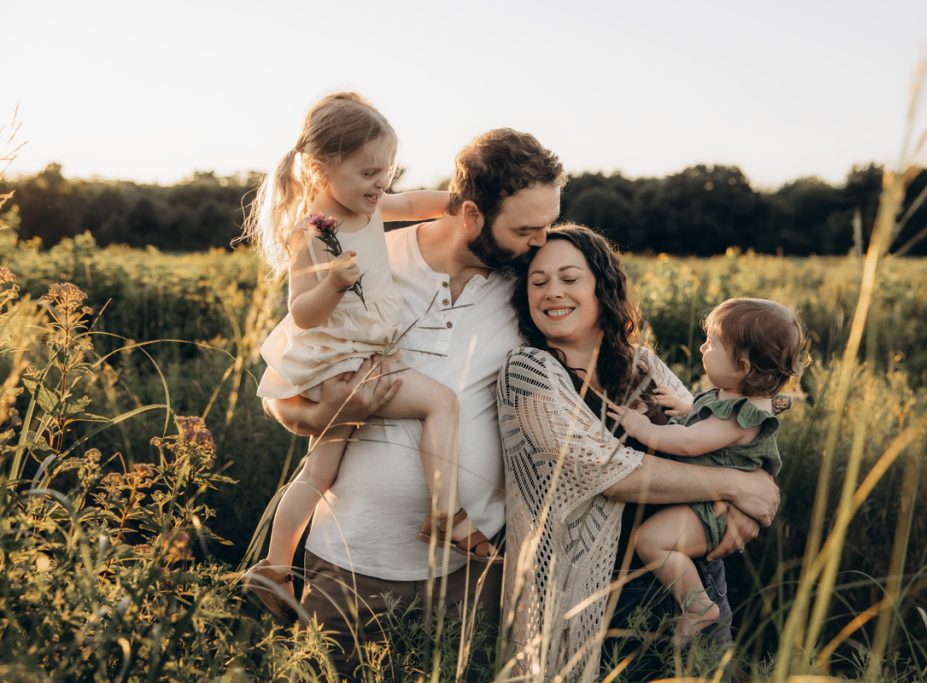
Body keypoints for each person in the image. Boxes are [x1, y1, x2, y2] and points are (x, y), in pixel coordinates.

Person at [260, 127, 565, 678]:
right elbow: (284, 391)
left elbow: (607, 355)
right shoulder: (364, 255)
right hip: (350, 567)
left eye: (546, 225)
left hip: (468, 574)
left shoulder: (532, 286)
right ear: (471, 214)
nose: (541, 241)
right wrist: (325, 414)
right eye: (525, 228)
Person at [239, 93, 502, 625]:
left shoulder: (374, 205)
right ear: (320, 167)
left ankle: (274, 565)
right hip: (345, 361)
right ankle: (446, 513)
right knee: (442, 404)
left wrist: (467, 204)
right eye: (368, 172)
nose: (381, 183)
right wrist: (333, 284)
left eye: (387, 171)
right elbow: (303, 314)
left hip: (365, 355)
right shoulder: (313, 234)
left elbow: (418, 203)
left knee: (320, 472)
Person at [497, 225, 780, 681]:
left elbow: (716, 443)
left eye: (569, 279)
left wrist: (752, 501)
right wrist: (738, 487)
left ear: (601, 287)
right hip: (600, 600)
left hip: (696, 583)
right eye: (538, 281)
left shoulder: (641, 364)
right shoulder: (528, 371)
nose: (553, 292)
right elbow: (610, 472)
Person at [608, 297, 805, 638]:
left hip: (708, 509)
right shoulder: (729, 396)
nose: (703, 347)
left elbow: (689, 443)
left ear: (743, 365)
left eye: (712, 343)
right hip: (705, 499)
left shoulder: (744, 415)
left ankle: (697, 604)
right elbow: (707, 414)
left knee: (652, 540)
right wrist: (684, 405)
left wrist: (641, 428)